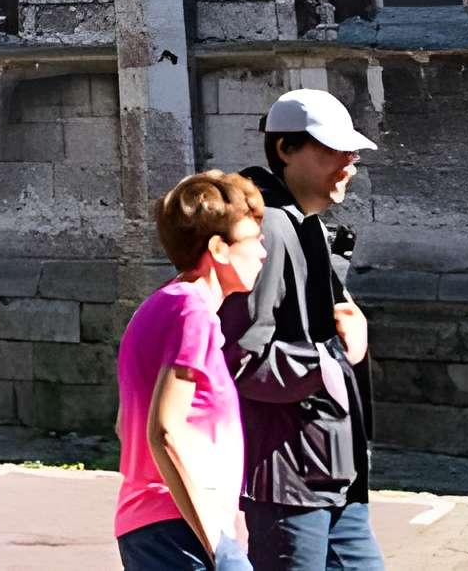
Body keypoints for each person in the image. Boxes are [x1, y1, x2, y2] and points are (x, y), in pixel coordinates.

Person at [223, 88, 384, 571]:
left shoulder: (301, 221)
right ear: (285, 149)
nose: (349, 163)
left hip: (331, 469)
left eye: (353, 152)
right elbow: (240, 361)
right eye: (334, 149)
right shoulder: (269, 228)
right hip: (290, 476)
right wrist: (336, 356)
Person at [114, 169, 266, 571]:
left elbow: (124, 425)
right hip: (179, 529)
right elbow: (164, 431)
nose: (263, 253)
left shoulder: (158, 305)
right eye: (254, 240)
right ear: (219, 248)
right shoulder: (192, 312)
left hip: (152, 527)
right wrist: (215, 541)